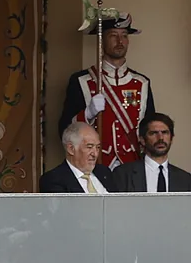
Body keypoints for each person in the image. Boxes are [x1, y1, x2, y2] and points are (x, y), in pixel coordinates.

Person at [58, 12, 154, 169]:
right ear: (101, 40)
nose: (120, 41)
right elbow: (64, 131)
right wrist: (87, 114)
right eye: (113, 35)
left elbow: (150, 129)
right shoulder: (82, 81)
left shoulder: (142, 83)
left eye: (124, 36)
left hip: (133, 167)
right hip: (95, 166)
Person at [113, 113, 191, 192]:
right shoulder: (123, 174)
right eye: (154, 133)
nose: (160, 138)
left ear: (172, 139)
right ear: (142, 140)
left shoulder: (185, 179)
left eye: (164, 132)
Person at [39, 122, 118, 193]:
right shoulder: (53, 180)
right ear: (71, 149)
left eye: (97, 147)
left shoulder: (104, 172)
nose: (95, 154)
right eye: (89, 147)